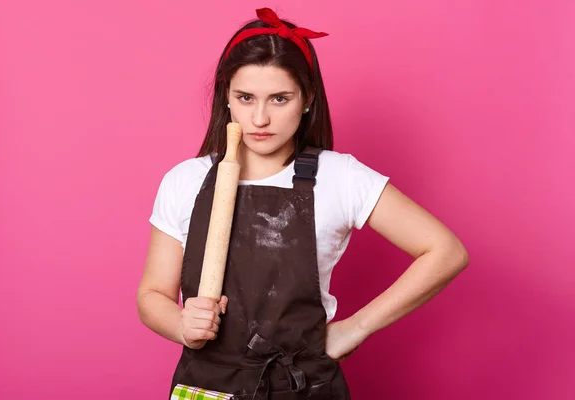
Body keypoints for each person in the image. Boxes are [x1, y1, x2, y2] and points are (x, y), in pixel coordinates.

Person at [137, 7, 469, 400]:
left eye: (279, 98)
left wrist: (356, 326)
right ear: (226, 96)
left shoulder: (340, 177)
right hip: (206, 384)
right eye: (245, 97)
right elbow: (152, 295)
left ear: (307, 98)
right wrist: (181, 324)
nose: (260, 118)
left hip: (303, 387)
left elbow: (446, 252)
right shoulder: (185, 180)